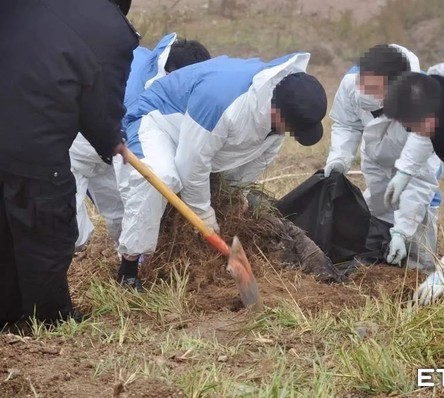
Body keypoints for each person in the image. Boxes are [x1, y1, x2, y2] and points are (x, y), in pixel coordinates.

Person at [115, 52, 327, 290]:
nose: (288, 134)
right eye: (291, 128)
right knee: (163, 178)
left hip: (200, 139)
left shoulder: (279, 114)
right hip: (159, 122)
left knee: (202, 191)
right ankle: (129, 268)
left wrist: (234, 196)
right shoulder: (221, 100)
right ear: (276, 112)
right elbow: (191, 163)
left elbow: (257, 158)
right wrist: (204, 216)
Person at [0, 0, 139, 325]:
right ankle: (49, 318)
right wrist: (110, 138)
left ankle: (8, 314)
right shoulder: (112, 30)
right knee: (48, 229)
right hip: (33, 141)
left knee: (7, 230)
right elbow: (101, 99)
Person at [71, 33, 211, 253]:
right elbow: (138, 153)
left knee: (121, 217)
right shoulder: (136, 87)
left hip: (112, 149)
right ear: (173, 72)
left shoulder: (153, 65)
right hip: (78, 145)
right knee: (72, 234)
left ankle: (127, 262)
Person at [324, 44, 441, 270]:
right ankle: (379, 259)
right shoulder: (351, 84)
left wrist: (403, 230)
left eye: (375, 90)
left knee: (417, 243)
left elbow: (419, 177)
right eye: (364, 84)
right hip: (376, 157)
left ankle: (418, 272)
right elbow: (345, 123)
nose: (366, 93)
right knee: (379, 209)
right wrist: (339, 157)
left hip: (416, 169)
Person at [382, 61, 444, 304]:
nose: (415, 132)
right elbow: (423, 136)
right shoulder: (441, 106)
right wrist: (405, 171)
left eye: (413, 126)